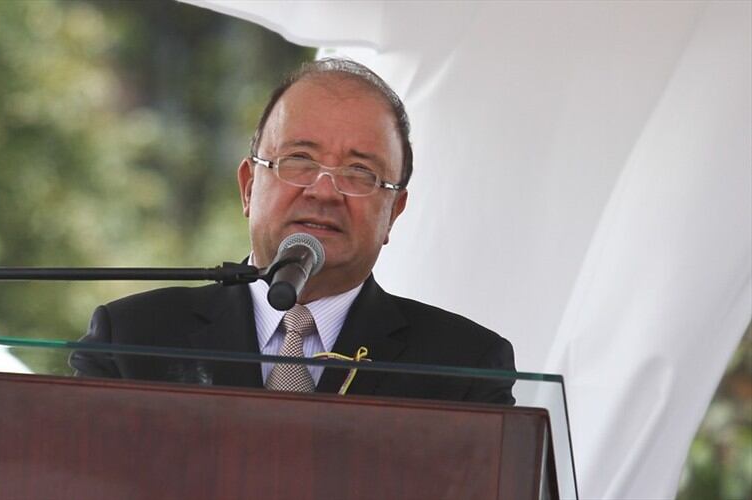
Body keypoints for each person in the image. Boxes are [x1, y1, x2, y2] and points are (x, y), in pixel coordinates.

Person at [70, 58, 515, 404]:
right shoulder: (132, 339)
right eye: (299, 160)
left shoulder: (465, 368)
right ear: (248, 187)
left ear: (394, 212)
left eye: (360, 172)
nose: (324, 191)